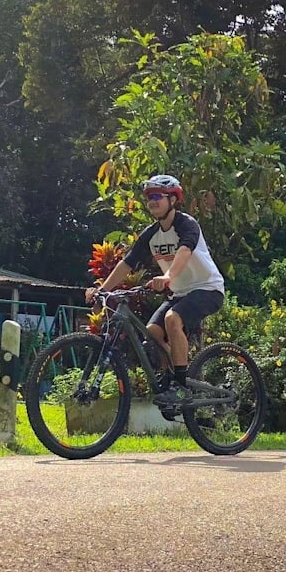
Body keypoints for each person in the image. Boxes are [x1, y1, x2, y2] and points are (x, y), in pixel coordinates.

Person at [86, 174, 226, 408]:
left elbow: (184, 251)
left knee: (173, 319)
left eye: (157, 196)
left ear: (173, 199)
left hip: (207, 288)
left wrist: (168, 276)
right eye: (149, 197)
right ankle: (172, 376)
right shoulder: (151, 234)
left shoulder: (186, 224)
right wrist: (101, 290)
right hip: (180, 294)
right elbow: (127, 263)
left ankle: (181, 388)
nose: (152, 201)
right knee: (151, 331)